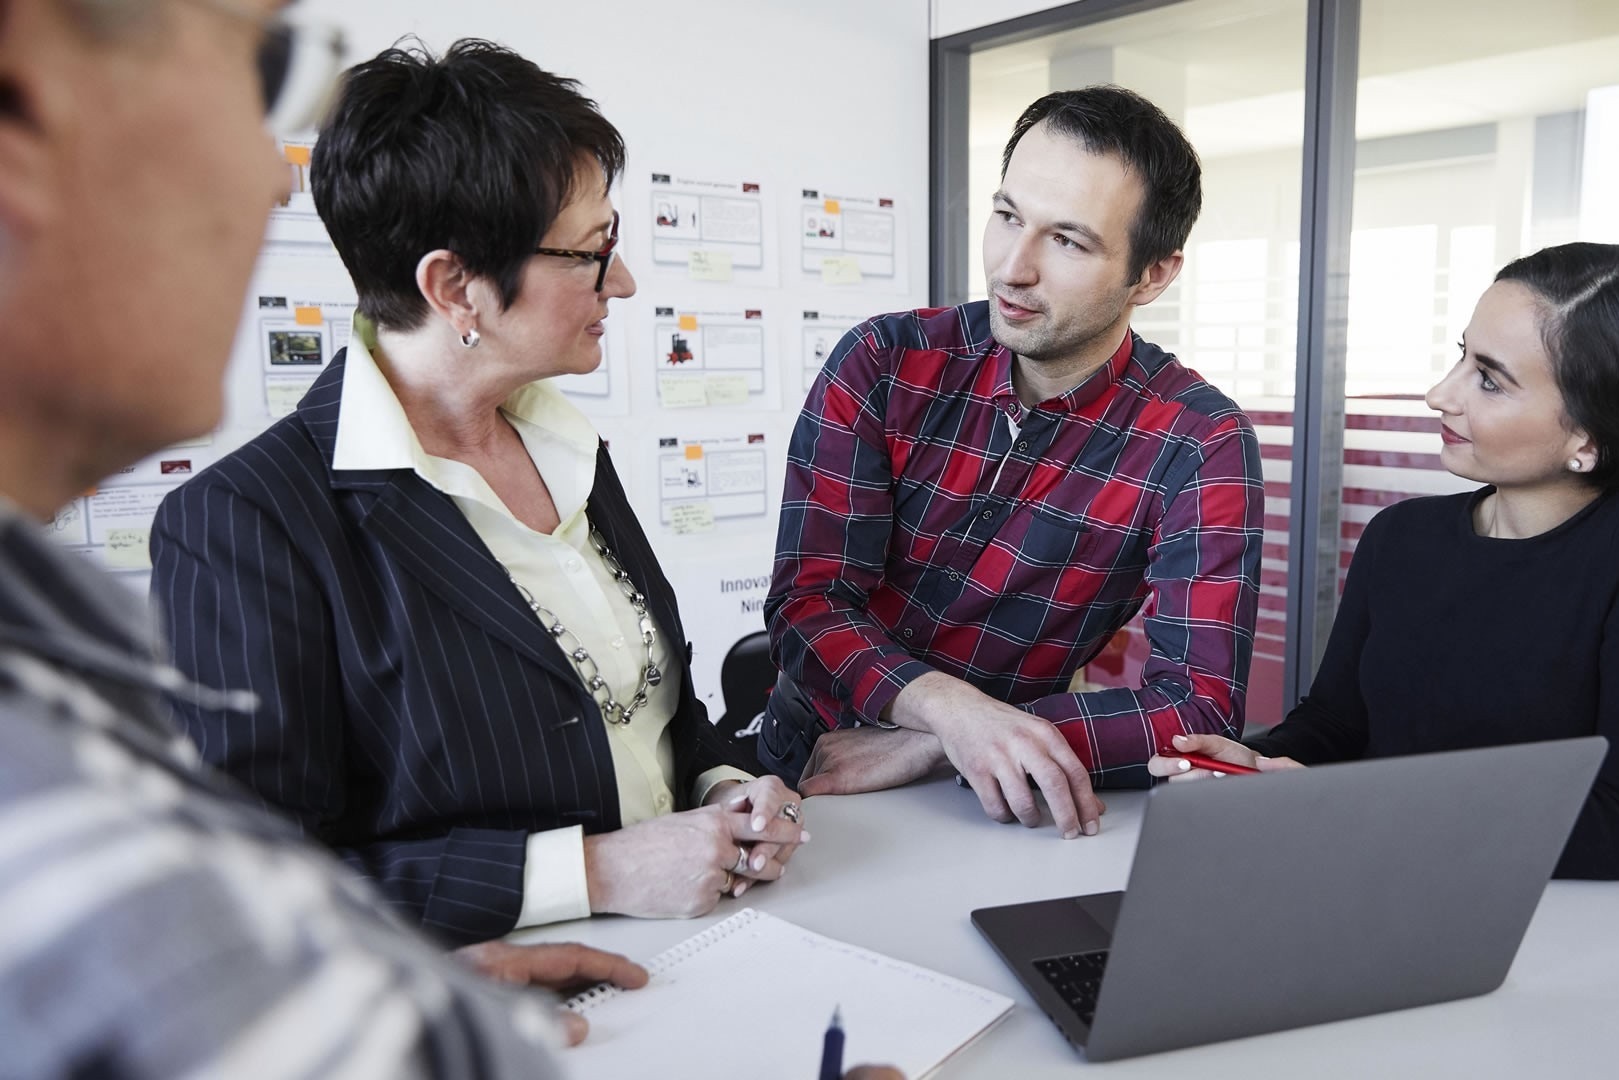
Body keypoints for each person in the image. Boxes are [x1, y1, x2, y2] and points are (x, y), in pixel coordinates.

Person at [149, 39, 806, 948]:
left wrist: (724, 790)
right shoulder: (247, 521)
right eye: (593, 252)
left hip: (710, 941)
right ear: (455, 286)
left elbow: (652, 715)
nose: (622, 281)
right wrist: (595, 872)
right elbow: (255, 879)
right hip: (497, 989)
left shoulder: (567, 448)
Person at [1151, 242, 1619, 879]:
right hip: (1367, 879)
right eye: (1462, 355)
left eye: (1489, 379)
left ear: (1590, 436)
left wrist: (1360, 809)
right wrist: (1260, 764)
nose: (1439, 394)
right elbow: (1336, 725)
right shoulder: (1401, 537)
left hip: (1527, 918)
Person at [761, 86, 1264, 837]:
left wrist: (947, 742)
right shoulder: (886, 361)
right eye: (1007, 217)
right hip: (815, 758)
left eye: (1068, 242)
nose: (1013, 268)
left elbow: (1198, 708)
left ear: (1153, 275)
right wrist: (950, 713)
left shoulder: (1198, 440)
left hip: (1006, 795)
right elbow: (808, 602)